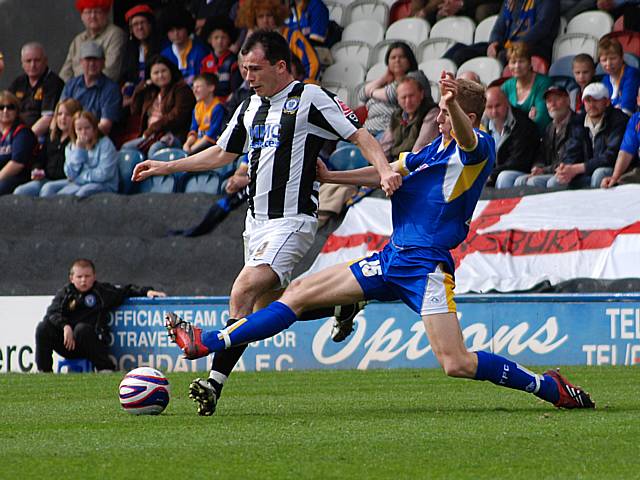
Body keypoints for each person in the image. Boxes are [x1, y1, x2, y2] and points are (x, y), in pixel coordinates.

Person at [164, 72, 595, 413]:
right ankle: (209, 341)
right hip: (392, 258)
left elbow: (465, 136)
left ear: (461, 112)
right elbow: (386, 169)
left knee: (456, 363)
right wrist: (333, 176)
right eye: (443, 112)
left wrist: (453, 107)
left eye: (446, 112)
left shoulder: (476, 147)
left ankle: (546, 386)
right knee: (296, 293)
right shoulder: (429, 151)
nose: (440, 118)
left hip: (425, 266)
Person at [132, 30, 401, 415]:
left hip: (293, 219)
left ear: (280, 65)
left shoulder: (310, 97)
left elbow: (359, 135)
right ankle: (342, 306)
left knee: (242, 290)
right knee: (268, 309)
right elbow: (222, 154)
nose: (248, 77)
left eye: (255, 68)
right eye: (243, 69)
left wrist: (384, 171)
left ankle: (212, 381)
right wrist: (166, 165)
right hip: (255, 222)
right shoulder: (248, 107)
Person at [35, 258, 165, 373]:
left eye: (87, 276)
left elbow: (126, 290)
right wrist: (65, 326)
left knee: (81, 329)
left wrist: (146, 291)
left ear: (94, 277)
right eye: (79, 277)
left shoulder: (102, 292)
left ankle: (106, 369)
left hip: (92, 344)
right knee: (43, 327)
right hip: (68, 344)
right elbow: (52, 313)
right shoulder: (65, 293)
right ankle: (44, 372)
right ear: (72, 278)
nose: (83, 280)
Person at [553, 82, 628, 188]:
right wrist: (564, 167)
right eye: (588, 100)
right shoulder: (578, 121)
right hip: (585, 170)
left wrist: (578, 168)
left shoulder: (619, 120)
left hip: (611, 170)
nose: (591, 105)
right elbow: (571, 151)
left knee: (599, 174)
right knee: (555, 181)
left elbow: (610, 157)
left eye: (596, 100)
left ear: (607, 102)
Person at [446, 0, 561, 67]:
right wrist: (494, 43)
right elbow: (499, 27)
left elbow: (541, 28)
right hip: (506, 45)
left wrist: (514, 47)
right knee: (459, 52)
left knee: (503, 56)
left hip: (532, 46)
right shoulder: (510, 1)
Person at [122, 55, 196, 157]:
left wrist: (154, 127)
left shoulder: (181, 89)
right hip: (151, 135)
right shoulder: (152, 91)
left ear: (171, 71)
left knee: (155, 149)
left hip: (173, 135)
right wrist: (140, 89)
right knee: (127, 148)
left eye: (163, 71)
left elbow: (177, 115)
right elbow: (135, 111)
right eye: (156, 73)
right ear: (150, 76)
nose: (160, 75)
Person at [235, 0, 321, 82]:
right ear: (254, 20)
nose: (265, 21)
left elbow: (313, 64)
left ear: (276, 16)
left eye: (269, 15)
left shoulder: (292, 36)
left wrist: (304, 88)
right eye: (260, 17)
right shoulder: (253, 42)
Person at [13, 98, 83, 197]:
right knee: (20, 191)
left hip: (67, 181)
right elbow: (40, 159)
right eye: (59, 114)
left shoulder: (78, 140)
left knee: (47, 190)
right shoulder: (52, 137)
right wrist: (36, 170)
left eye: (67, 115)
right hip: (46, 179)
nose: (62, 118)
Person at [360, 42, 430, 137]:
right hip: (367, 129)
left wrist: (371, 92)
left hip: (389, 131)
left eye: (402, 57)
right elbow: (362, 95)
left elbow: (392, 94)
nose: (397, 60)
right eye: (393, 57)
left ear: (409, 59)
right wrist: (383, 79)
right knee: (342, 145)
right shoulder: (386, 82)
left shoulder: (415, 76)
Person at [516, 86, 578, 187]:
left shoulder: (577, 123)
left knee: (538, 182)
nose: (553, 104)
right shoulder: (549, 127)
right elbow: (540, 154)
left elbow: (570, 159)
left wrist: (544, 170)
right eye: (549, 101)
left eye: (557, 99)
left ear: (567, 100)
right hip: (551, 171)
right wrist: (537, 167)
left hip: (570, 172)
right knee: (520, 181)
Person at [481, 85, 540, 188]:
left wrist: (492, 174)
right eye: (489, 107)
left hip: (520, 171)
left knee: (504, 177)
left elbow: (518, 161)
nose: (494, 112)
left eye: (498, 106)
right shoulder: (481, 125)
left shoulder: (522, 125)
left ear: (507, 103)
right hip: (492, 173)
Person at [60, 41, 122, 136]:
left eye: (96, 60)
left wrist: (81, 138)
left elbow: (105, 126)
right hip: (68, 136)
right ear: (81, 62)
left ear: (103, 62)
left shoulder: (111, 89)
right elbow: (59, 115)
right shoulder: (71, 85)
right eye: (88, 60)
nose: (92, 64)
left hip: (96, 140)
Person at [59, 0, 127, 83]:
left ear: (106, 14)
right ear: (82, 16)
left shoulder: (115, 34)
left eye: (97, 12)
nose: (93, 16)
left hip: (102, 92)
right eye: (88, 12)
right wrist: (69, 90)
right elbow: (65, 73)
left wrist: (84, 89)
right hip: (75, 91)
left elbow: (110, 72)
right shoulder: (77, 40)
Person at [56, 110, 119, 197]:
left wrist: (80, 178)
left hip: (104, 185)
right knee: (57, 194)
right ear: (74, 131)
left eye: (87, 128)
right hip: (80, 184)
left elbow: (104, 174)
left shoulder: (106, 144)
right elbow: (70, 174)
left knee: (81, 194)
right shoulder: (71, 146)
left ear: (94, 128)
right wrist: (79, 150)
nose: (83, 132)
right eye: (79, 129)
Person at [8, 43, 65, 137]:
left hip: (40, 136)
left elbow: (47, 118)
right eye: (28, 61)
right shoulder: (18, 82)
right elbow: (5, 107)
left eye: (37, 60)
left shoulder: (53, 83)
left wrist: (26, 138)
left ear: (45, 61)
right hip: (15, 133)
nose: (32, 65)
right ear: (22, 63)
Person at [379, 77, 440, 161]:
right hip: (394, 165)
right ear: (398, 99)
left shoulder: (432, 112)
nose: (408, 102)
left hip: (412, 165)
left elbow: (419, 150)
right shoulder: (396, 116)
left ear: (421, 94)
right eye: (403, 97)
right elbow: (385, 147)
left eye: (411, 96)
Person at [501, 42, 552, 134]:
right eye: (513, 62)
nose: (517, 66)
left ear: (529, 63)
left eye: (521, 61)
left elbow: (542, 120)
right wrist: (528, 121)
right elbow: (499, 117)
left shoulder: (543, 83)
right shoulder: (506, 86)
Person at [120, 4, 163, 107]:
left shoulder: (161, 46)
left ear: (150, 24)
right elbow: (126, 74)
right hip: (133, 96)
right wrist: (126, 86)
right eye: (135, 24)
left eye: (142, 23)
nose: (139, 27)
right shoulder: (130, 49)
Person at [158, 6, 209, 86]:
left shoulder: (200, 51)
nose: (176, 34)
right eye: (171, 30)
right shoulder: (164, 55)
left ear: (187, 28)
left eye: (179, 29)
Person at [0, 91, 37, 195]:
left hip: (19, 178)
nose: (5, 110)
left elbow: (17, 164)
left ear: (17, 110)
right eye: (1, 107)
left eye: (10, 107)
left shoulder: (22, 132)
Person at [199, 16, 242, 99]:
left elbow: (235, 89)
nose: (220, 41)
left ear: (229, 39)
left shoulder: (234, 61)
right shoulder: (205, 61)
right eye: (216, 37)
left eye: (223, 37)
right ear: (209, 40)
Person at [182, 73, 225, 154]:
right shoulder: (197, 107)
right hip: (198, 145)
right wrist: (187, 144)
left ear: (211, 88)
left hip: (212, 148)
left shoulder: (218, 107)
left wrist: (192, 150)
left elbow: (211, 136)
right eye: (193, 87)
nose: (194, 90)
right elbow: (193, 130)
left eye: (198, 87)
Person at [598, 36, 640, 116]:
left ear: (621, 57)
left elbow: (627, 109)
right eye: (604, 60)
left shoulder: (631, 74)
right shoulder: (605, 80)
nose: (608, 64)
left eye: (613, 58)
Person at [602, 103, 640, 188]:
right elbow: (626, 152)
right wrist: (615, 177)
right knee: (619, 183)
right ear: (638, 101)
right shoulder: (635, 119)